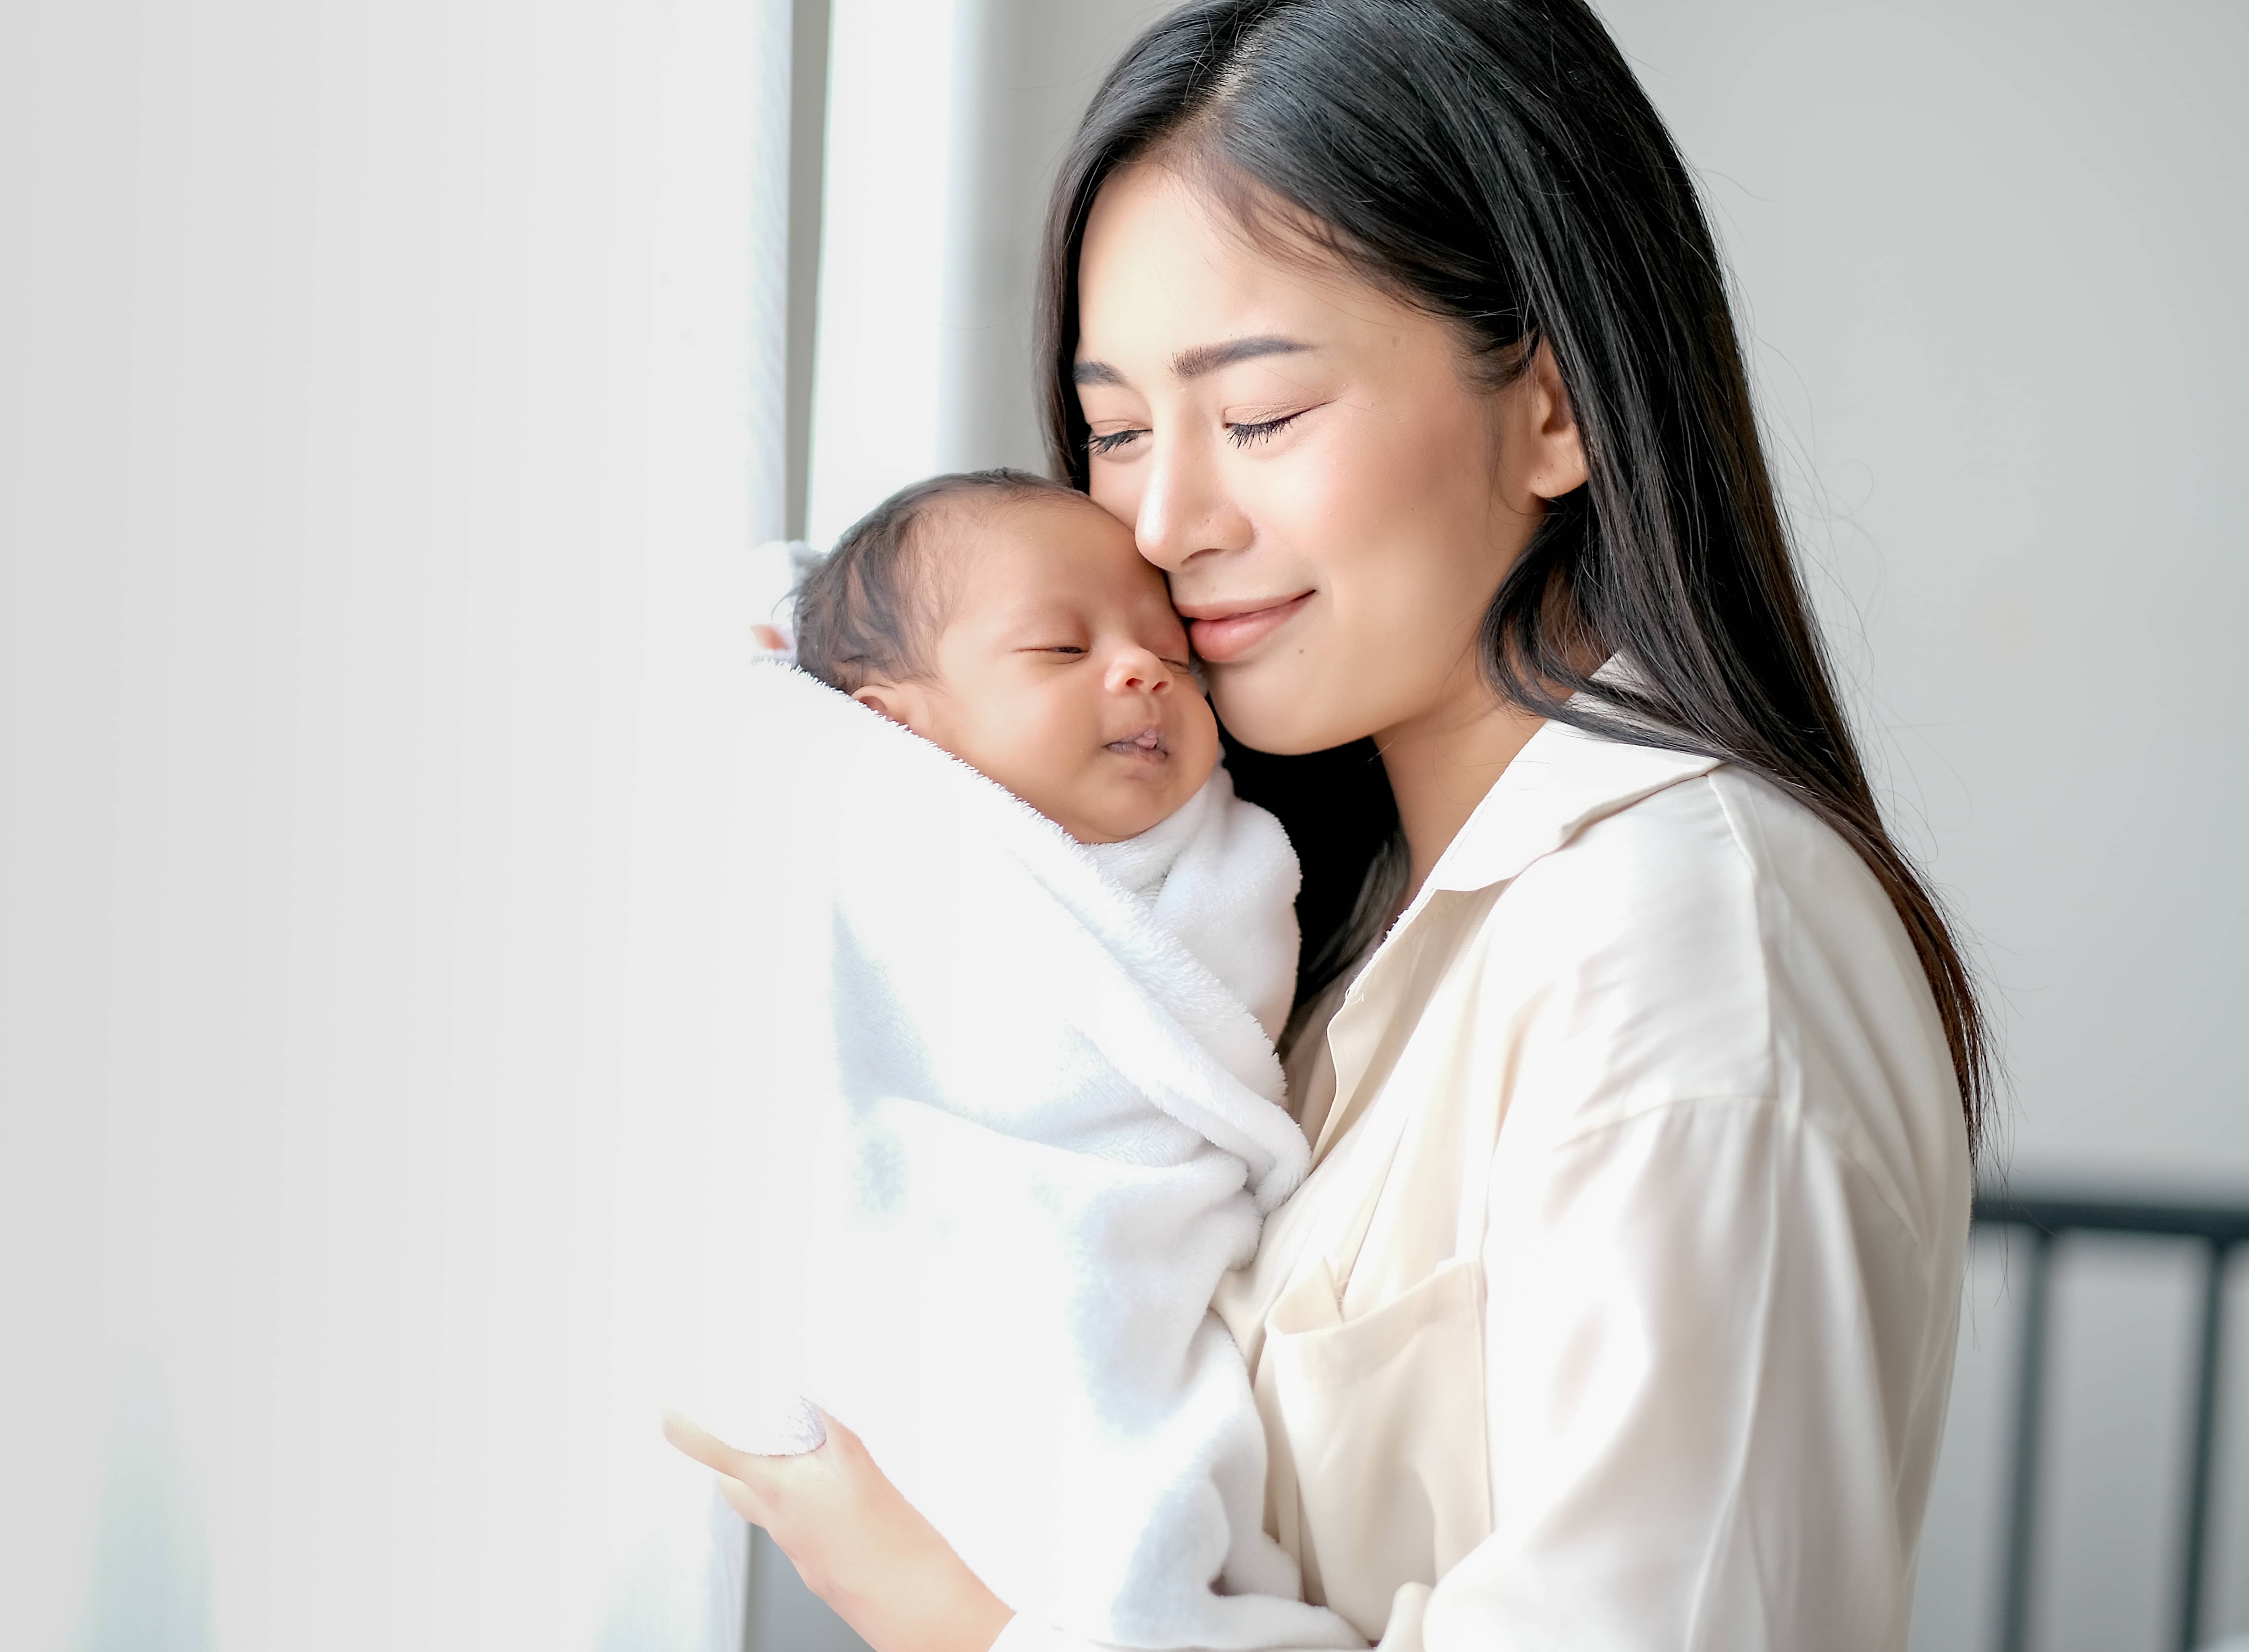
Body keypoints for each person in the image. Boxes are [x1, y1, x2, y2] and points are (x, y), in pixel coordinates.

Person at [672, 2, 1987, 1648]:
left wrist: (966, 1621)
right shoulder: (1314, 925)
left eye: (1264, 414)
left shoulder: (1684, 932)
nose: (1163, 519)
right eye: (1121, 429)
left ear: (1557, 409)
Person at [672, 470, 1362, 1648]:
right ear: (897, 727)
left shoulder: (1213, 859)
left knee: (1128, 1470)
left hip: (1105, 1239)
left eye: (1171, 653)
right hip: (946, 1245)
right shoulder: (875, 815)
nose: (1143, 669)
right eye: (1059, 648)